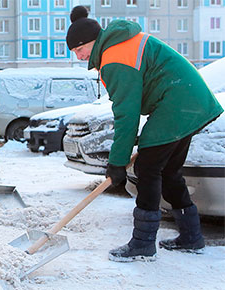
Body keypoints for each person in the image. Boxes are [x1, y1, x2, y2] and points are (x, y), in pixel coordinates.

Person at [66, 6, 223, 262]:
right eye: (74, 52)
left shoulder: (114, 58)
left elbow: (126, 115)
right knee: (169, 171)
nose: (79, 56)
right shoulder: (119, 45)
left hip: (177, 102)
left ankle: (142, 243)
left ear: (93, 41)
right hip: (189, 101)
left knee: (147, 168)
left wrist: (117, 162)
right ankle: (191, 237)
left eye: (79, 49)